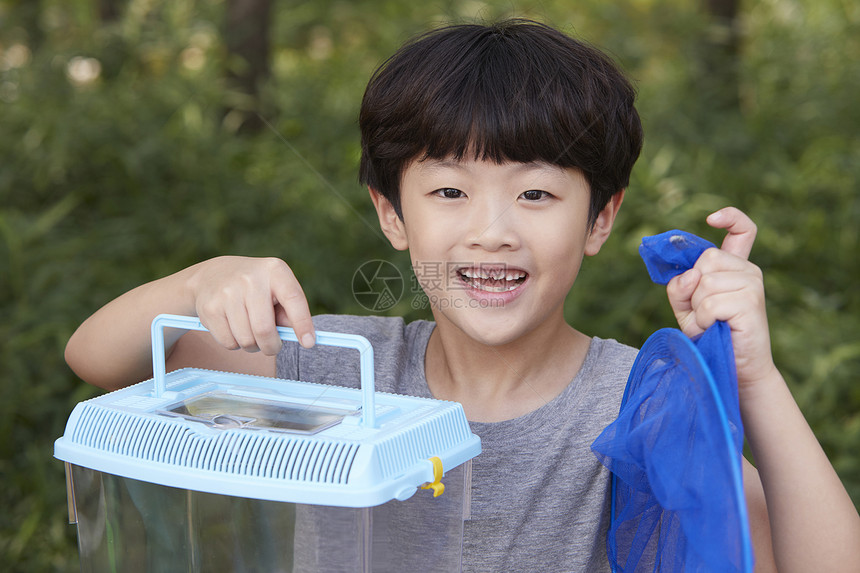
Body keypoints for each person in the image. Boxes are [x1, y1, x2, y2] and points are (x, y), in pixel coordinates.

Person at [65, 19, 859, 572]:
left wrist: (753, 375)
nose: (492, 231)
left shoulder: (640, 406)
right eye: (448, 191)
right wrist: (199, 280)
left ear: (601, 218)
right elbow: (100, 359)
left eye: (537, 195)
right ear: (390, 213)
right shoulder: (332, 373)